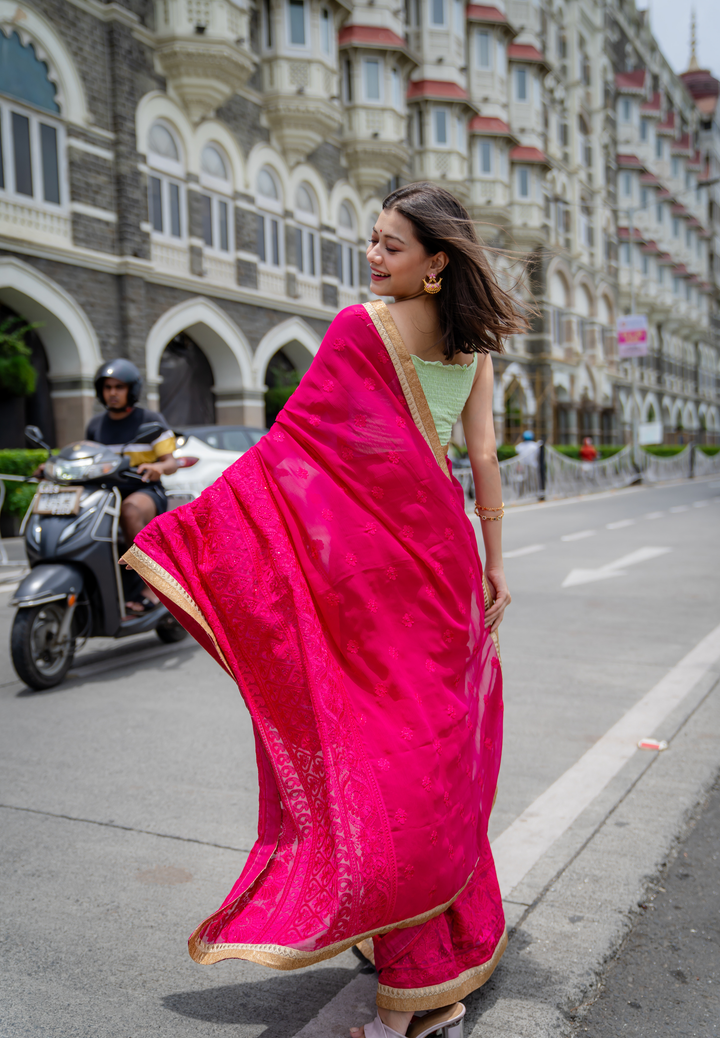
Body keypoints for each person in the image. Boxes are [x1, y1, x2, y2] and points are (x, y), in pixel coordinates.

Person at [123, 183, 527, 1038]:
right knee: (428, 760)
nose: (372, 256)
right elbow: (483, 460)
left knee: (382, 759)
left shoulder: (360, 329)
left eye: (390, 245)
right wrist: (495, 564)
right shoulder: (473, 347)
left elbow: (296, 454)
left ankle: (416, 997)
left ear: (435, 263)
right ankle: (421, 944)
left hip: (381, 581)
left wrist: (195, 533)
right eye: (372, 239)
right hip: (446, 568)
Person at [89, 359, 177, 612]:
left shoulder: (150, 419)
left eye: (119, 387)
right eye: (107, 387)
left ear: (132, 390)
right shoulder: (95, 425)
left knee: (129, 510)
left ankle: (152, 586)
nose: (112, 393)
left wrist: (159, 467)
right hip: (107, 493)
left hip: (144, 489)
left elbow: (171, 462)